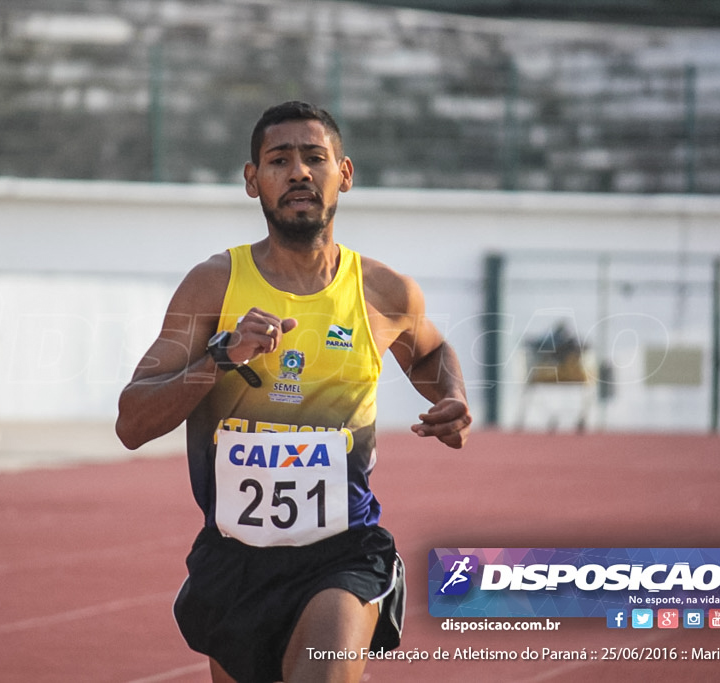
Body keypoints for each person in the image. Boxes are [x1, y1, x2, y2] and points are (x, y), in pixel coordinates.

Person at [116, 101, 471, 683]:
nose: (300, 172)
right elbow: (132, 422)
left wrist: (450, 396)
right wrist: (220, 358)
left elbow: (429, 352)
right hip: (234, 558)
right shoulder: (214, 285)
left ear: (345, 174)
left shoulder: (383, 291)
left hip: (342, 551)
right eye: (280, 160)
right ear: (252, 181)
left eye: (315, 158)